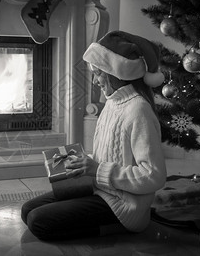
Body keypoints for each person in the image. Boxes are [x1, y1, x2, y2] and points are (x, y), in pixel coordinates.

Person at [21, 31, 167, 241]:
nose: (95, 81)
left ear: (117, 73)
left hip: (122, 204)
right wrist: (83, 162)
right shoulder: (113, 101)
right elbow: (110, 153)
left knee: (38, 221)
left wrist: (97, 169)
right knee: (28, 209)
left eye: (99, 74)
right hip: (99, 189)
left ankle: (114, 228)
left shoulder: (138, 111)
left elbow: (154, 176)